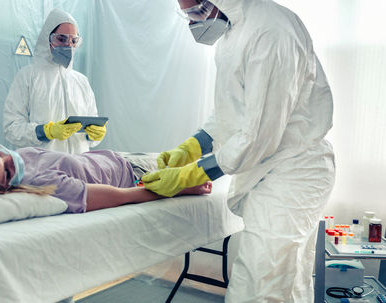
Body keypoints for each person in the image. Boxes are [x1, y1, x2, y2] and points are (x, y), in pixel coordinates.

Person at [142, 0, 335, 302]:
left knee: (266, 281)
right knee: (274, 279)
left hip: (293, 170)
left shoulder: (270, 31)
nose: (194, 22)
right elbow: (230, 113)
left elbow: (258, 135)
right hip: (269, 170)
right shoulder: (232, 35)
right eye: (187, 14)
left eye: (197, 11)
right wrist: (191, 147)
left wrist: (191, 174)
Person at [0, 144, 212, 213]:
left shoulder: (5, 161)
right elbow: (124, 196)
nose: (8, 158)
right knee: (208, 160)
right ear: (0, 187)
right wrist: (180, 188)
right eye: (6, 170)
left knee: (188, 148)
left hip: (119, 155)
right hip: (137, 174)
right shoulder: (41, 187)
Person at [3, 8, 106, 154]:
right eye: (61, 39)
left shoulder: (81, 81)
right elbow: (11, 128)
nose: (68, 45)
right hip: (42, 168)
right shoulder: (28, 76)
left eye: (73, 40)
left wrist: (95, 135)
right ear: (47, 38)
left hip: (79, 166)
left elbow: (92, 134)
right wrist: (45, 131)